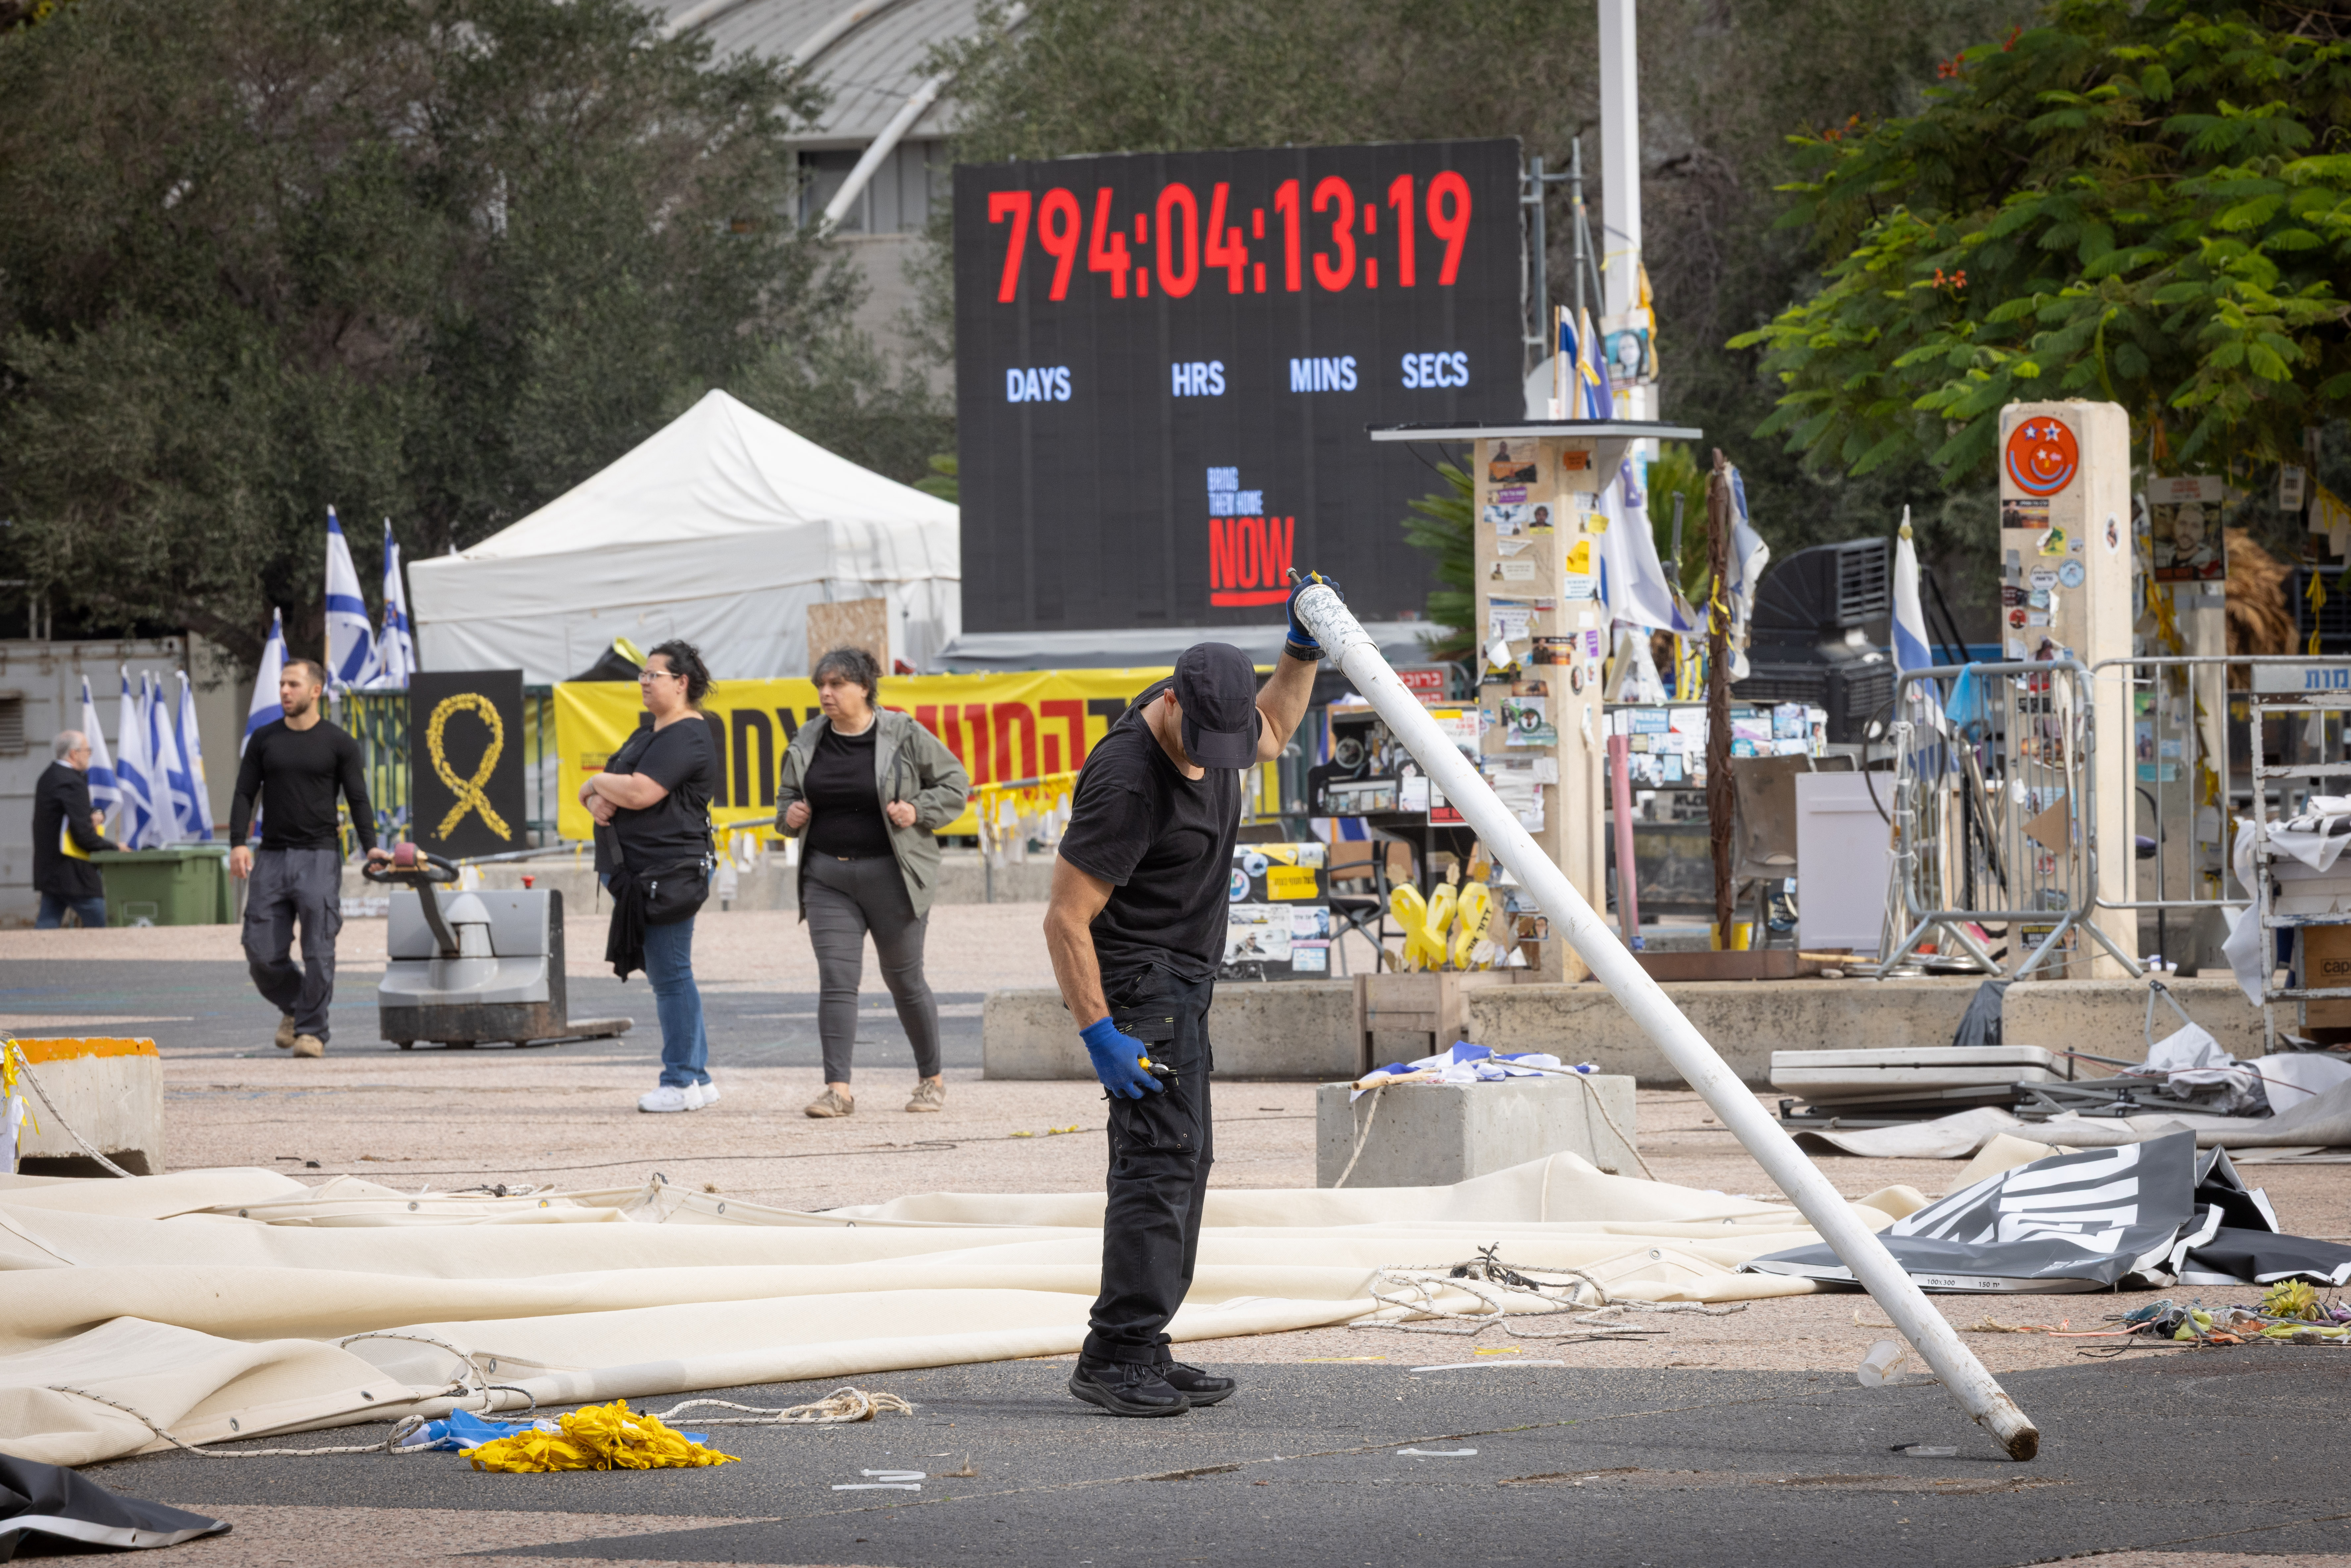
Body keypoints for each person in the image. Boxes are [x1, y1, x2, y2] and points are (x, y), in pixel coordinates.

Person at [1043, 572, 1334, 1417]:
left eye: (1225, 741)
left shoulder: (1223, 720)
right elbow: (1065, 920)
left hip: (1187, 978)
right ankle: (1117, 1353)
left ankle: (1143, 1342)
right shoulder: (1129, 783)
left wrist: (1300, 649)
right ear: (1170, 703)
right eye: (1201, 740)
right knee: (1158, 1162)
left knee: (1186, 1160)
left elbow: (1276, 723)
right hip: (1139, 982)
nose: (1214, 758)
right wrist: (1100, 1033)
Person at [774, 646, 969, 1118]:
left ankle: (931, 1080)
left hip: (893, 876)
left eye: (837, 684)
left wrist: (917, 810)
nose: (826, 693)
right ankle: (837, 1090)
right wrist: (790, 814)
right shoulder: (807, 737)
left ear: (864, 687)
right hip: (827, 877)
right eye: (821, 684)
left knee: (904, 981)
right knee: (837, 980)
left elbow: (955, 783)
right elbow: (784, 801)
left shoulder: (902, 732)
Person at [582, 641, 719, 1114]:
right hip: (641, 873)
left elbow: (638, 791)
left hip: (669, 872)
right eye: (641, 674)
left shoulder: (687, 735)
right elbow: (599, 780)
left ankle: (679, 1080)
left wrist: (601, 785)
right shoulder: (649, 734)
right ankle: (697, 1077)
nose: (644, 681)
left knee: (671, 976)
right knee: (675, 973)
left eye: (653, 675)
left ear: (681, 683)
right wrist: (594, 791)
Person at [231, 659, 387, 1059]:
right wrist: (238, 843)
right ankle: (298, 1006)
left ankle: (312, 1032)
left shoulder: (339, 743)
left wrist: (370, 846)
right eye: (282, 684)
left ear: (315, 691)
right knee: (260, 950)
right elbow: (245, 794)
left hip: (319, 856)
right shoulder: (264, 740)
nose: (284, 691)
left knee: (319, 949)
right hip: (272, 857)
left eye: (293, 685)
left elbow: (357, 799)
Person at [33, 730, 119, 928]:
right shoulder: (72, 781)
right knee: (103, 926)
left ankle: (33, 959)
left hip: (51, 870)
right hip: (74, 873)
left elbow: (73, 811)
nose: (89, 755)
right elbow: (83, 835)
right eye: (88, 751)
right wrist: (115, 849)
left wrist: (96, 812)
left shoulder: (48, 777)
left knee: (46, 925)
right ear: (74, 754)